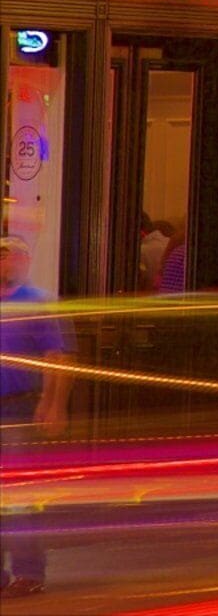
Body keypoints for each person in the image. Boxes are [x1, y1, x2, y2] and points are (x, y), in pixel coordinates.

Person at [0, 238, 67, 597]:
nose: (6, 262)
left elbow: (57, 356)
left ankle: (28, 572)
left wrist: (52, 403)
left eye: (12, 255)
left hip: (19, 408)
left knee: (20, 497)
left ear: (24, 261)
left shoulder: (37, 302)